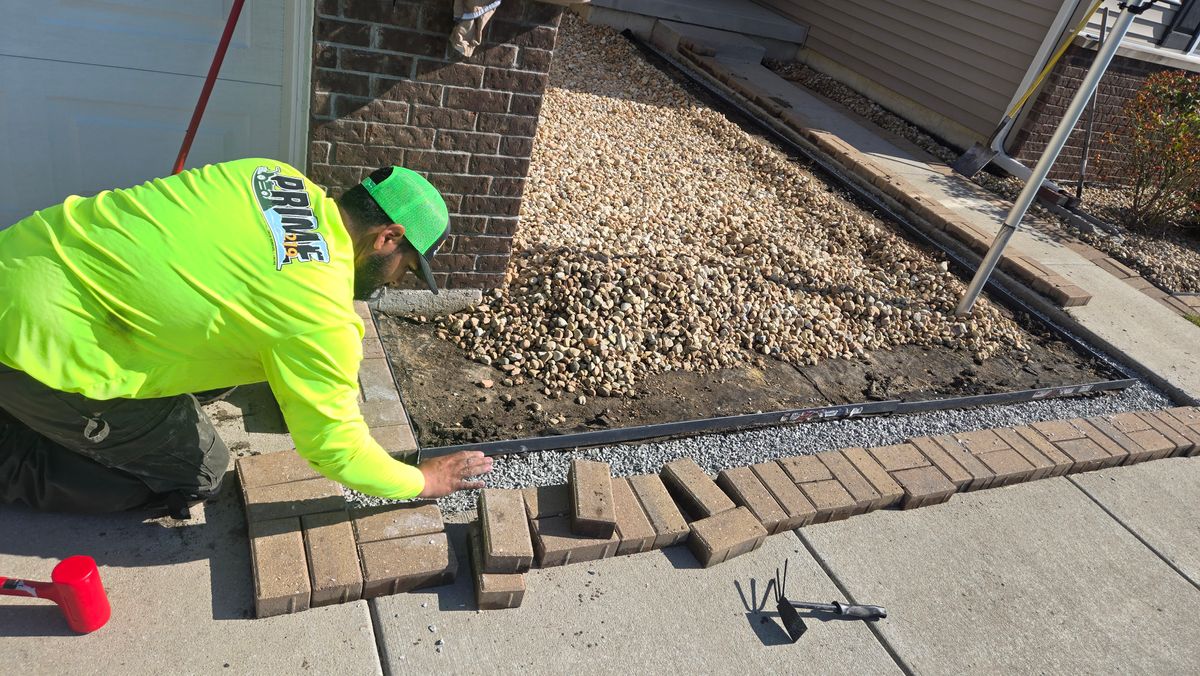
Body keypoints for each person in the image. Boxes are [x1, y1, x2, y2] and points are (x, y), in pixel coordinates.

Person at [0, 159, 492, 515]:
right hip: (35, 347)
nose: (394, 282)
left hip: (20, 257)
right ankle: (15, 449)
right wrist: (423, 480)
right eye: (405, 268)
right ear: (387, 237)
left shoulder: (271, 174)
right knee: (198, 474)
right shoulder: (318, 315)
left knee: (232, 364)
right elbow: (335, 449)